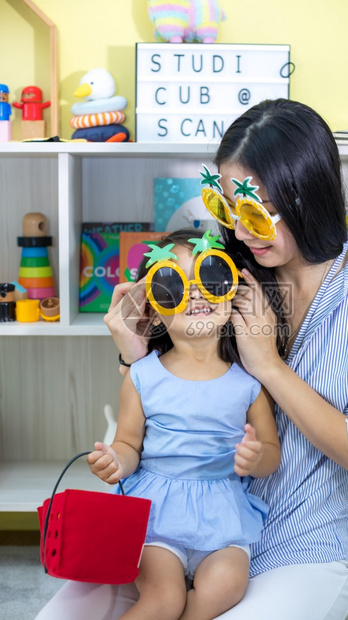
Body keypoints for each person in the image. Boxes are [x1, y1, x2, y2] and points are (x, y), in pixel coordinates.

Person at [35, 98, 348, 620]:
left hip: (299, 544)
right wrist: (134, 356)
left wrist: (270, 368)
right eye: (229, 210)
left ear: (309, 196)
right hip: (169, 530)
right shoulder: (224, 270)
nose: (239, 232)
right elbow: (162, 403)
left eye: (254, 213)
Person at [89, 229, 280, 620]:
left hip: (223, 517)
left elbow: (272, 453)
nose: (194, 292)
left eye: (210, 277)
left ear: (231, 293)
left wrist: (255, 458)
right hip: (158, 516)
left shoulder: (249, 382)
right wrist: (116, 462)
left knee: (226, 585)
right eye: (172, 283)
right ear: (153, 307)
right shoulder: (142, 376)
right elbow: (128, 443)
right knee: (165, 598)